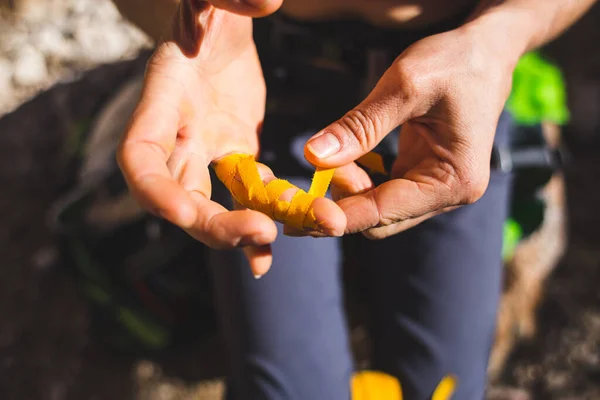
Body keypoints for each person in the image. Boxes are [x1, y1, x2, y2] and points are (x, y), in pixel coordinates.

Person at [112, 0, 596, 399]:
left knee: (445, 387)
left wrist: (502, 38)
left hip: (451, 96)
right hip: (260, 97)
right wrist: (188, 27)